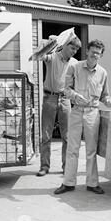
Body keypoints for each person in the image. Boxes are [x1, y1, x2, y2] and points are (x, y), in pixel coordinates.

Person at [54, 40, 111, 195]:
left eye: (98, 53)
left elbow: (105, 96)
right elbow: (65, 89)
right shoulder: (74, 67)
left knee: (91, 149)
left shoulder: (103, 73)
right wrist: (75, 95)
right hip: (76, 111)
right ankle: (68, 183)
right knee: (72, 149)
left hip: (92, 113)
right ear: (87, 51)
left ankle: (92, 183)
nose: (94, 55)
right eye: (92, 51)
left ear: (101, 55)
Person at [32, 34, 81, 177]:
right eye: (72, 48)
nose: (74, 52)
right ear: (65, 45)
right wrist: (49, 42)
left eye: (76, 50)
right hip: (49, 98)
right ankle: (44, 167)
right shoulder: (51, 57)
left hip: (65, 100)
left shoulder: (75, 63)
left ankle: (66, 167)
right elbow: (37, 56)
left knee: (67, 136)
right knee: (46, 135)